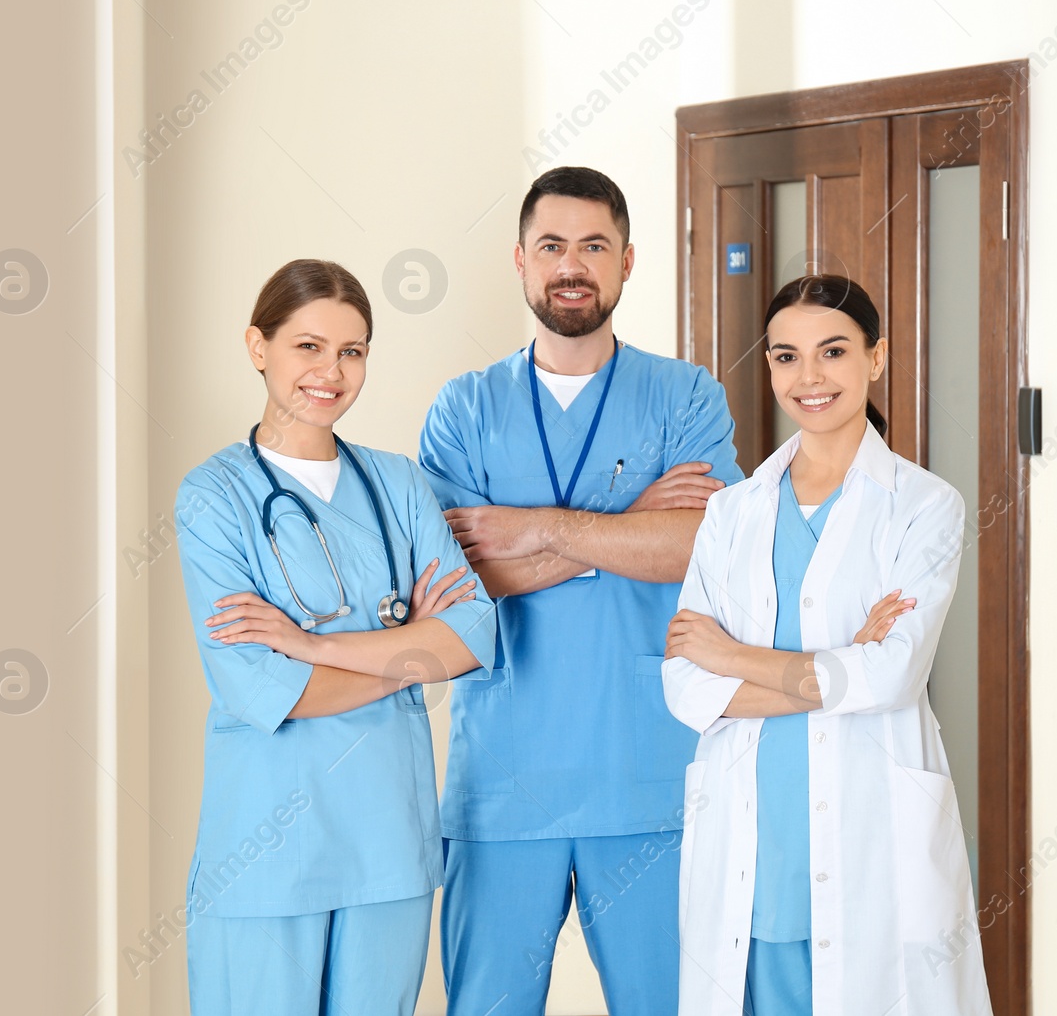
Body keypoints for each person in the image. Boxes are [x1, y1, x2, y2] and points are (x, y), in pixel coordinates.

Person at [419, 166, 742, 1015]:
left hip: (645, 774)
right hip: (502, 780)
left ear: (629, 262)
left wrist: (542, 528)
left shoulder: (686, 396)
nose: (573, 264)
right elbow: (455, 583)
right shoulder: (464, 409)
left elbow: (704, 547)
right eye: (553, 246)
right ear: (520, 261)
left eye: (594, 245)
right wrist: (627, 522)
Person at [663, 274, 993, 1015]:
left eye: (833, 352)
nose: (809, 377)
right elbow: (685, 685)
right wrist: (838, 662)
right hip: (754, 837)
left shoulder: (923, 505)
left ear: (875, 359)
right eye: (786, 356)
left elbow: (891, 676)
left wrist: (734, 657)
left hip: (870, 831)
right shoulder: (732, 510)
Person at [173, 258, 497, 1015]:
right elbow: (261, 686)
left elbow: (474, 631)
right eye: (308, 347)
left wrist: (316, 645)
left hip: (389, 846)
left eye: (352, 351)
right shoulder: (213, 496)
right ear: (259, 347)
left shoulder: (399, 483)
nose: (331, 371)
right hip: (264, 855)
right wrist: (412, 654)